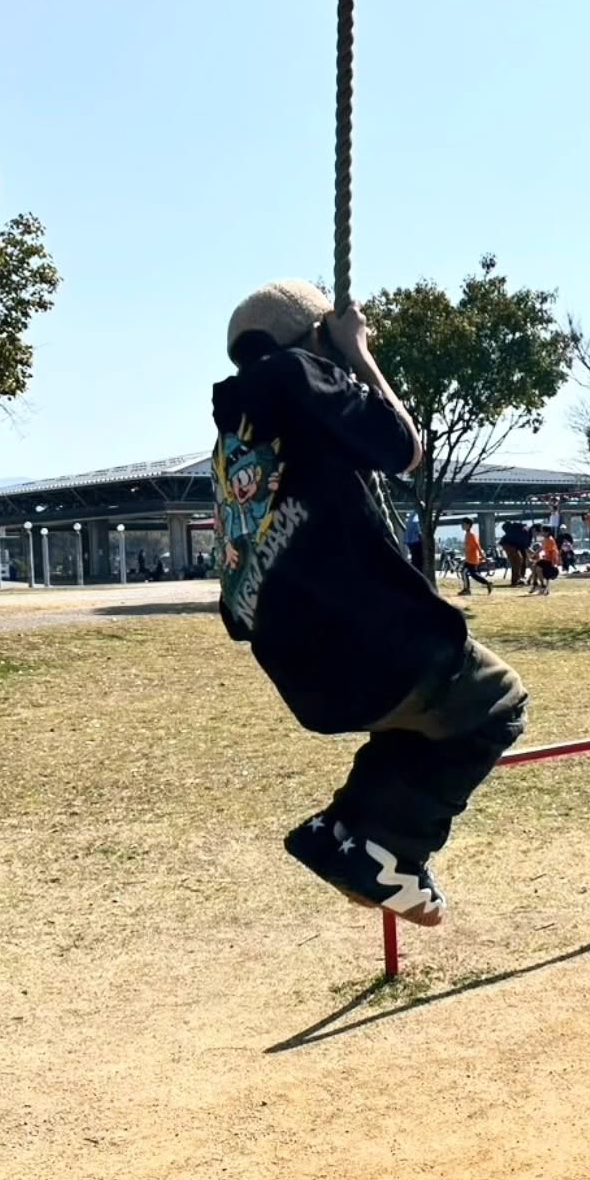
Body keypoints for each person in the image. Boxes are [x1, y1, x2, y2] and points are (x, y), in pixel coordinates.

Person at [213, 280, 527, 927]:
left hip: (308, 679)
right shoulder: (303, 374)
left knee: (418, 722)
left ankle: (344, 832)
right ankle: (387, 851)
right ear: (315, 334)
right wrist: (357, 354)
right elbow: (405, 448)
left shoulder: (237, 444)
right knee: (497, 702)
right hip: (381, 649)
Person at [459, 518, 494, 596]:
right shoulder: (468, 534)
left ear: (468, 525)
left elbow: (478, 546)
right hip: (469, 558)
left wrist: (483, 557)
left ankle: (467, 589)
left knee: (468, 573)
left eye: (463, 524)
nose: (462, 526)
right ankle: (468, 589)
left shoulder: (471, 535)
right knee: (470, 573)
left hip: (472, 558)